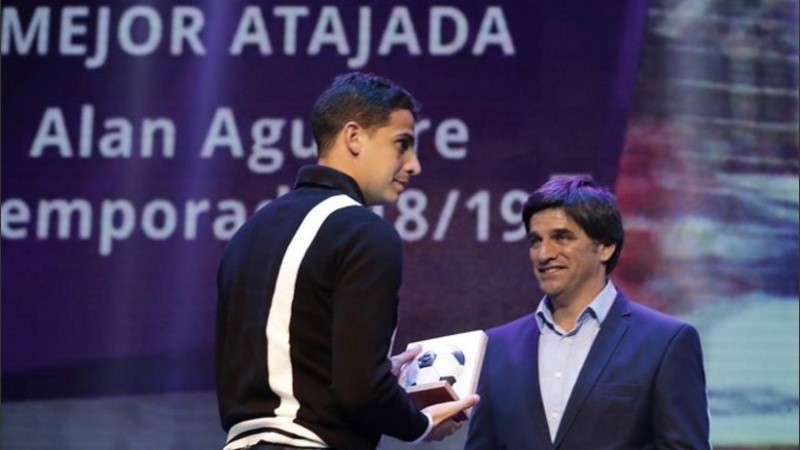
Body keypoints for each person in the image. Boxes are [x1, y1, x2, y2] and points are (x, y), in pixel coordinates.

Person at [216, 72, 478, 450]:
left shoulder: (247, 234)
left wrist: (377, 372)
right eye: (402, 144)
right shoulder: (362, 231)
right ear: (354, 137)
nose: (414, 165)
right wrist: (419, 422)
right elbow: (359, 389)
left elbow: (295, 359)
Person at [465, 175, 710, 449]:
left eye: (561, 237)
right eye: (535, 241)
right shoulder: (498, 346)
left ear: (605, 247)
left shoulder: (665, 342)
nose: (544, 254)